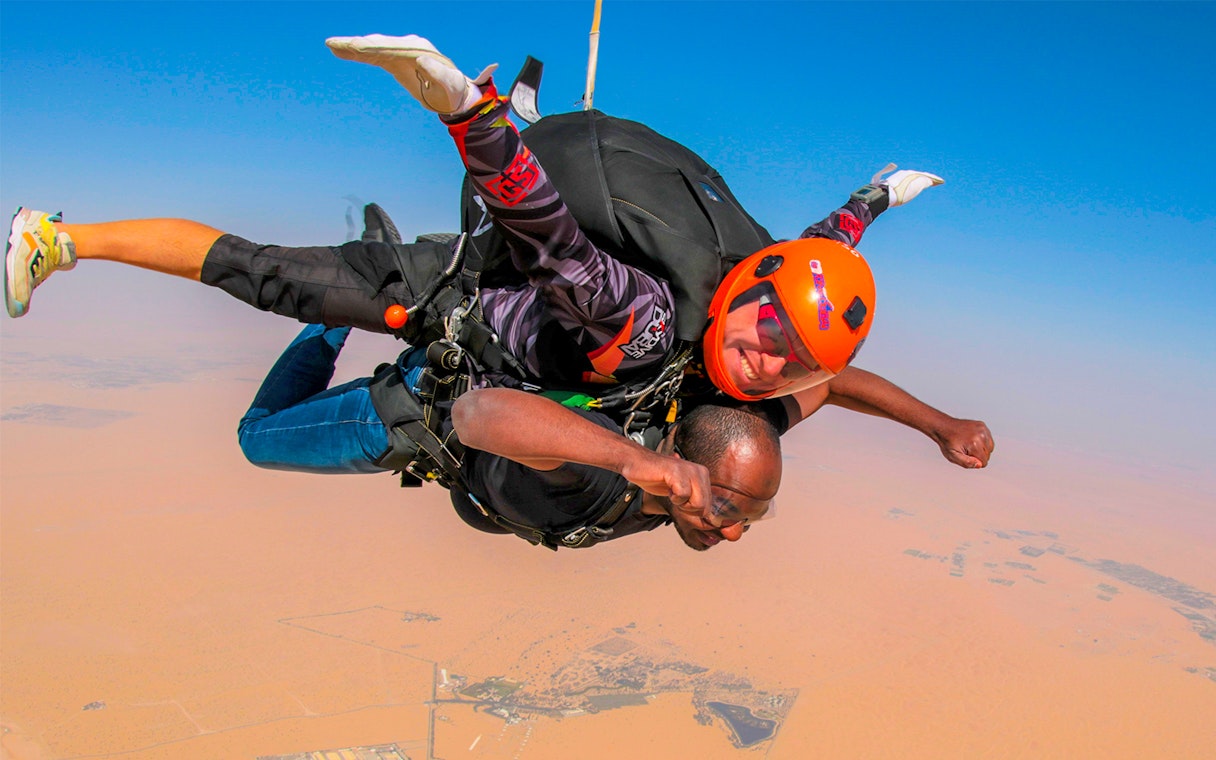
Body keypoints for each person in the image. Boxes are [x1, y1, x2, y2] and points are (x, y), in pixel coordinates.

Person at [242, 322, 779, 551]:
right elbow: (480, 413)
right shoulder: (600, 472)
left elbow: (827, 387)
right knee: (255, 438)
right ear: (678, 459)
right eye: (726, 510)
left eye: (748, 521)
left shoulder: (705, 456)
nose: (730, 533)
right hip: (406, 417)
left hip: (459, 409)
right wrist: (627, 460)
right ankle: (334, 313)